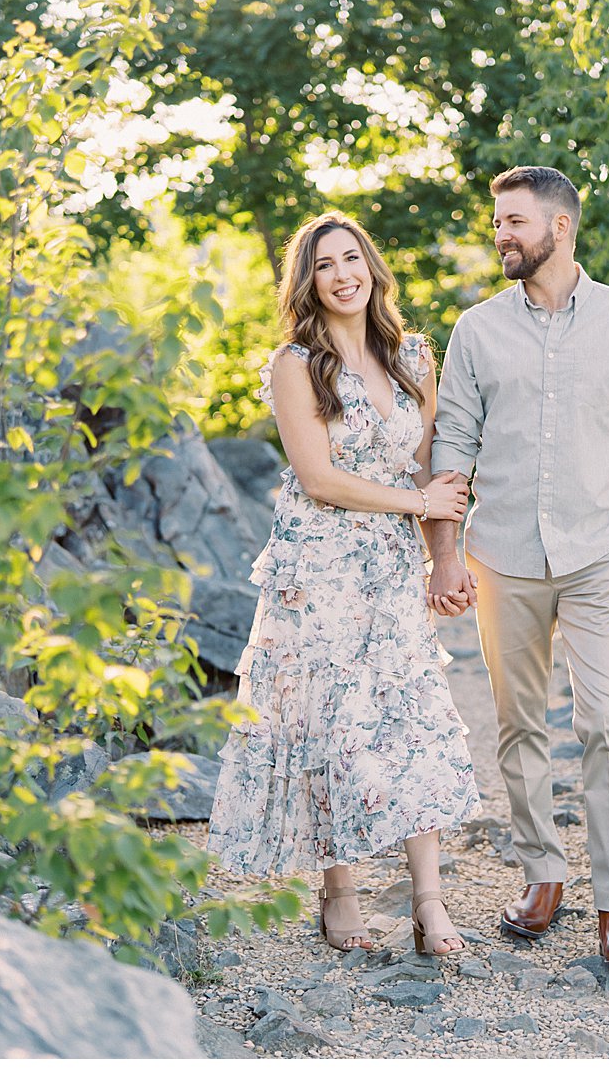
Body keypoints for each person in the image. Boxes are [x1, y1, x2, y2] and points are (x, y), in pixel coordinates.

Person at [426, 165, 609, 965]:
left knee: (607, 722)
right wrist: (445, 556)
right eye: (497, 222)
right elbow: (452, 448)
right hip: (502, 554)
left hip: (602, 551)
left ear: (561, 227)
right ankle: (544, 874)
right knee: (519, 725)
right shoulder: (476, 331)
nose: (500, 234)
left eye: (514, 222)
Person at [207, 211, 481, 957]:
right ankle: (342, 892)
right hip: (318, 569)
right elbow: (320, 477)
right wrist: (417, 503)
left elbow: (431, 472)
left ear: (372, 267)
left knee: (411, 718)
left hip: (391, 569)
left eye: (351, 257)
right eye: (324, 264)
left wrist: (445, 557)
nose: (342, 274)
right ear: (309, 281)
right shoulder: (296, 363)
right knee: (335, 727)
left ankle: (429, 901)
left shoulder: (413, 357)